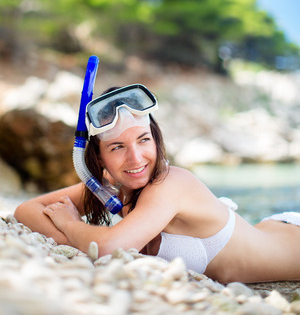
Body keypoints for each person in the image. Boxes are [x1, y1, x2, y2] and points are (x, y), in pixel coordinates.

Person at [14, 84, 300, 284]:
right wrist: (80, 241)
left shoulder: (171, 183)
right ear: (99, 159)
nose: (135, 158)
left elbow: (106, 248)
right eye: (117, 147)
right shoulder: (109, 187)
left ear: (156, 139)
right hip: (266, 232)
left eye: (143, 140)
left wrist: (70, 225)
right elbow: (27, 210)